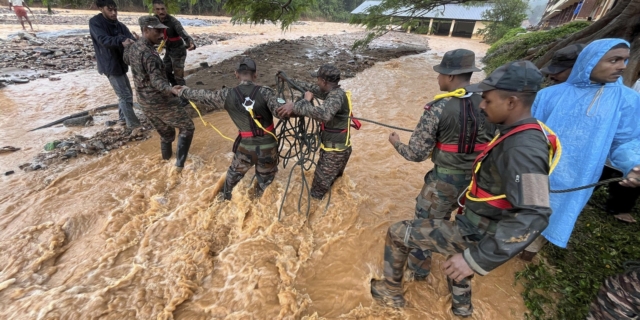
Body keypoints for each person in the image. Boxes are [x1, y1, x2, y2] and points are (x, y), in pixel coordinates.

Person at [370, 61, 553, 316]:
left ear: (511, 102)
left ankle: (391, 293)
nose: (481, 105)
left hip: (478, 228)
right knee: (458, 256)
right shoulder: (515, 132)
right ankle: (461, 309)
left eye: (488, 101)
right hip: (476, 217)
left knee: (399, 233)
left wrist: (478, 259)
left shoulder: (524, 148)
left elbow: (535, 213)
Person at [388, 49, 496, 281]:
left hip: (443, 184)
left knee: (424, 228)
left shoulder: (437, 108)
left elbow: (416, 154)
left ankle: (419, 274)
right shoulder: (489, 103)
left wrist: (396, 143)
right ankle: (458, 280)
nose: (438, 78)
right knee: (464, 232)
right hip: (479, 185)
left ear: (450, 76)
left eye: (439, 74)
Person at [530, 39, 640, 251]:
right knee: (522, 206)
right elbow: (528, 133)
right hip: (537, 169)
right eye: (614, 60)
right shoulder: (549, 95)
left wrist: (633, 164)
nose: (623, 66)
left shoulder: (626, 100)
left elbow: (626, 140)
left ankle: (532, 247)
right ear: (589, 61)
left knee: (553, 214)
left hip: (577, 177)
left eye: (625, 60)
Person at [174, 57, 289, 199]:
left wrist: (183, 91)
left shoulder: (226, 95)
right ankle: (257, 204)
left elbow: (204, 96)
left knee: (230, 181)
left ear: (236, 74)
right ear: (255, 75)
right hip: (268, 148)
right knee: (265, 187)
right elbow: (283, 112)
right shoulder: (266, 93)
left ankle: (221, 203)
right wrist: (302, 104)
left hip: (245, 148)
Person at [124, 16, 195, 171]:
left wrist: (127, 45)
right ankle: (179, 166)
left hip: (144, 101)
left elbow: (127, 60)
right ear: (145, 30)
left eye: (162, 31)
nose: (162, 35)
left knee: (167, 135)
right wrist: (171, 89)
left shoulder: (134, 47)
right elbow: (157, 81)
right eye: (157, 31)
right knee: (187, 127)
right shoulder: (150, 55)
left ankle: (166, 164)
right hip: (159, 100)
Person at [276, 65, 357, 200]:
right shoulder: (333, 92)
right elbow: (311, 88)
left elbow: (324, 115)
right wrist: (289, 80)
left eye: (318, 79)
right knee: (333, 186)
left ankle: (317, 217)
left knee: (316, 195)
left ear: (324, 82)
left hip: (334, 154)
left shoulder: (336, 97)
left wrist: (298, 104)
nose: (317, 82)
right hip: (338, 150)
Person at [89, 0, 141, 128]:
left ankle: (123, 119)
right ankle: (133, 125)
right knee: (124, 95)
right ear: (101, 8)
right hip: (109, 64)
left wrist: (136, 40)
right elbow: (103, 40)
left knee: (126, 92)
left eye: (115, 10)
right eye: (110, 10)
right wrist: (122, 40)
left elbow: (130, 37)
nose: (113, 13)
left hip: (121, 63)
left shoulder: (120, 25)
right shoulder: (95, 22)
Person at [153, 0, 196, 88]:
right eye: (158, 9)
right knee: (165, 71)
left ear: (166, 9)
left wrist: (190, 43)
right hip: (168, 49)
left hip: (178, 51)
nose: (161, 12)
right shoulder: (154, 20)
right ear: (154, 10)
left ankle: (184, 97)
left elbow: (184, 34)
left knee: (178, 76)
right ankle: (175, 89)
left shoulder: (173, 21)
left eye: (162, 9)